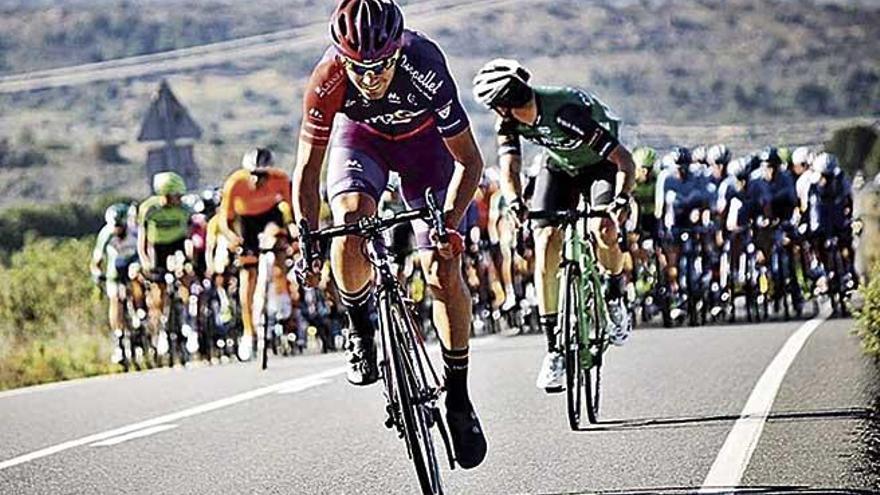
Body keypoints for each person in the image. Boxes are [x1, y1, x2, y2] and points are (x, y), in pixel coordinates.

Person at [292, 0, 486, 469]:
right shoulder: (328, 79)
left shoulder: (425, 62)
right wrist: (308, 239)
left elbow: (470, 161)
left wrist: (452, 225)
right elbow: (308, 170)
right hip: (363, 142)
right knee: (350, 221)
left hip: (427, 149)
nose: (372, 77)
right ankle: (361, 329)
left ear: (398, 50)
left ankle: (457, 398)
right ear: (342, 57)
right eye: (360, 67)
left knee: (442, 267)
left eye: (381, 65)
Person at [472, 58, 636, 393]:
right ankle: (554, 351)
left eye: (494, 106)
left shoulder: (565, 113)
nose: (494, 113)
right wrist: (515, 203)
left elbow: (625, 160)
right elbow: (510, 169)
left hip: (600, 168)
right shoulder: (510, 122)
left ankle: (616, 295)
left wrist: (619, 202)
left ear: (504, 105)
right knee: (545, 238)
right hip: (559, 168)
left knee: (602, 230)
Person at [219, 148, 293, 361]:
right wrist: (234, 240)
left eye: (263, 175)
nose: (257, 179)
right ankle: (249, 331)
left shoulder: (280, 179)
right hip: (246, 223)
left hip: (270, 217)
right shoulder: (235, 183)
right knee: (248, 277)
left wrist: (294, 230)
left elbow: (291, 209)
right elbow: (225, 221)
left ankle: (281, 294)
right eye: (253, 174)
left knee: (277, 242)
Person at [137, 172, 194, 348]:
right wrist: (145, 260)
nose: (180, 199)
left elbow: (190, 236)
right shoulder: (149, 209)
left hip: (177, 244)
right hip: (157, 246)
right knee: (159, 289)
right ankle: (160, 328)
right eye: (177, 195)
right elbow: (143, 238)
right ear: (166, 194)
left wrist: (190, 259)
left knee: (184, 274)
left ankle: (185, 316)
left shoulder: (184, 209)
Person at [91, 203, 142, 364]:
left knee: (136, 276)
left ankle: (140, 312)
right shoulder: (106, 234)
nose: (117, 230)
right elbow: (96, 260)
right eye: (114, 227)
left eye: (120, 226)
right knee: (115, 298)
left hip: (134, 261)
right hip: (116, 265)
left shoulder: (135, 231)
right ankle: (119, 337)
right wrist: (97, 274)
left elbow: (144, 250)